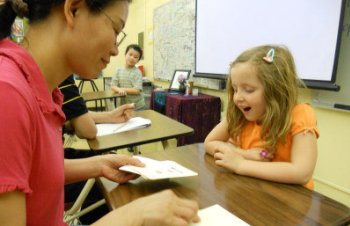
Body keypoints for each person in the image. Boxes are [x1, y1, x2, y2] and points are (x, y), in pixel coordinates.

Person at [0, 1, 199, 226]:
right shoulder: (8, 93)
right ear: (73, 9)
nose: (115, 49)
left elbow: (38, 169)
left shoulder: (44, 90)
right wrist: (130, 216)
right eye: (115, 29)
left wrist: (99, 164)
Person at [204, 45, 319, 190]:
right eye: (235, 89)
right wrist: (243, 154)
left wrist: (241, 164)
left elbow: (302, 173)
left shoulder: (300, 114)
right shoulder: (240, 114)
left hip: (289, 202)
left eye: (248, 90)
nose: (238, 97)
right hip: (253, 194)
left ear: (275, 89)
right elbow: (210, 142)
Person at [110, 44, 145, 110]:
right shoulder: (118, 70)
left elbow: (137, 90)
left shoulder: (138, 72)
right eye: (130, 54)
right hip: (123, 106)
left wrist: (122, 89)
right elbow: (113, 86)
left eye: (136, 57)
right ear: (125, 54)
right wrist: (119, 90)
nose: (132, 58)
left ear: (138, 60)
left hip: (137, 106)